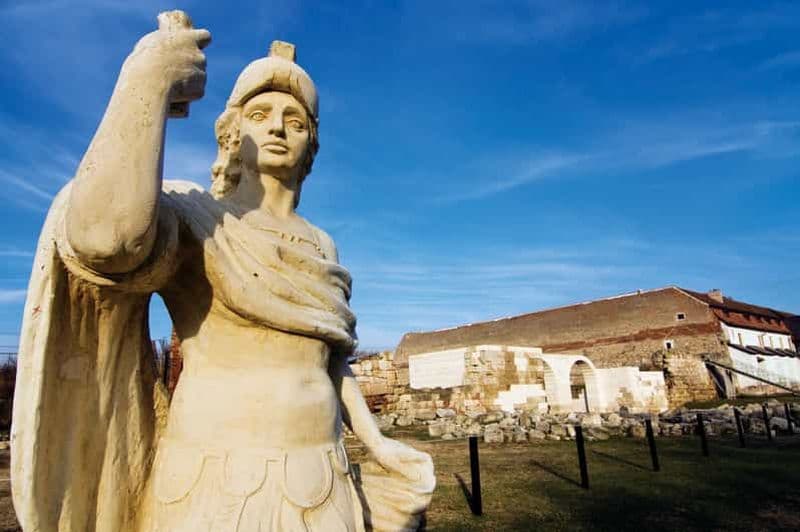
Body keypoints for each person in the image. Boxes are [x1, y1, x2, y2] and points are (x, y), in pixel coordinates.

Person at [11, 11, 434, 532]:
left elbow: (329, 359)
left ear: (312, 149)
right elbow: (106, 240)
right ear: (233, 134)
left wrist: (376, 443)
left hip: (323, 480)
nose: (279, 126)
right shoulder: (201, 219)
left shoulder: (322, 243)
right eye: (261, 115)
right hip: (214, 480)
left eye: (296, 121)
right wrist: (148, 82)